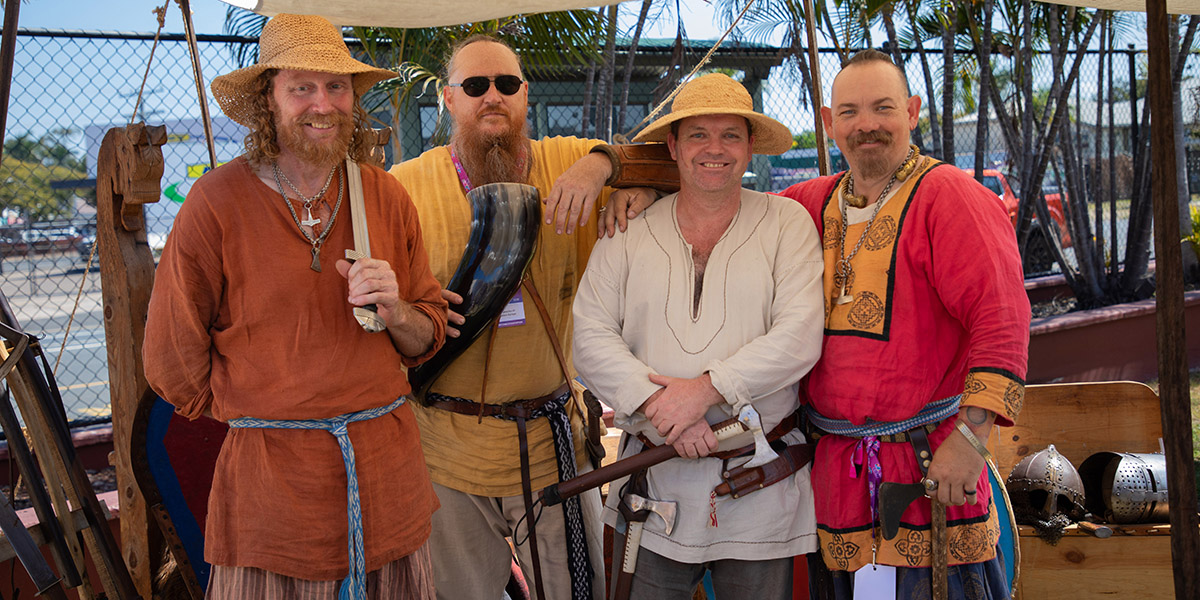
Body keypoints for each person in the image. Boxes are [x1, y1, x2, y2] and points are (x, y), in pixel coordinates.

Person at [143, 13, 446, 600]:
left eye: (336, 87)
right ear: (268, 100)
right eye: (301, 87)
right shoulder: (216, 202)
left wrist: (397, 311)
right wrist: (267, 414)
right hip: (271, 501)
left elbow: (426, 338)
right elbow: (171, 360)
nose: (323, 104)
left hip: (386, 485)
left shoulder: (384, 195)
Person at [388, 35, 654, 600]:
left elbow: (675, 157)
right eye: (475, 86)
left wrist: (605, 165)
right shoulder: (404, 186)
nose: (492, 97)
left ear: (524, 95)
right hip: (445, 449)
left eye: (506, 84)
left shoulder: (567, 159)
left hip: (549, 442)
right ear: (447, 98)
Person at [779, 49, 1029, 598]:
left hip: (929, 469)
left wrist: (970, 438)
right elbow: (716, 201)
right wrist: (621, 179)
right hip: (839, 476)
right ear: (828, 123)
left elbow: (1001, 319)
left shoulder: (951, 197)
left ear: (912, 112)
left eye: (882, 107)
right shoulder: (805, 204)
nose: (865, 124)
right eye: (849, 112)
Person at [571, 73, 825, 600]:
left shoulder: (786, 222)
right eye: (698, 135)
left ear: (751, 145)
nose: (715, 149)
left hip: (758, 481)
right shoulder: (628, 230)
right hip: (653, 486)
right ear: (673, 146)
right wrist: (662, 408)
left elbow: (799, 336)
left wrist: (705, 390)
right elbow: (590, 335)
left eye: (731, 135)